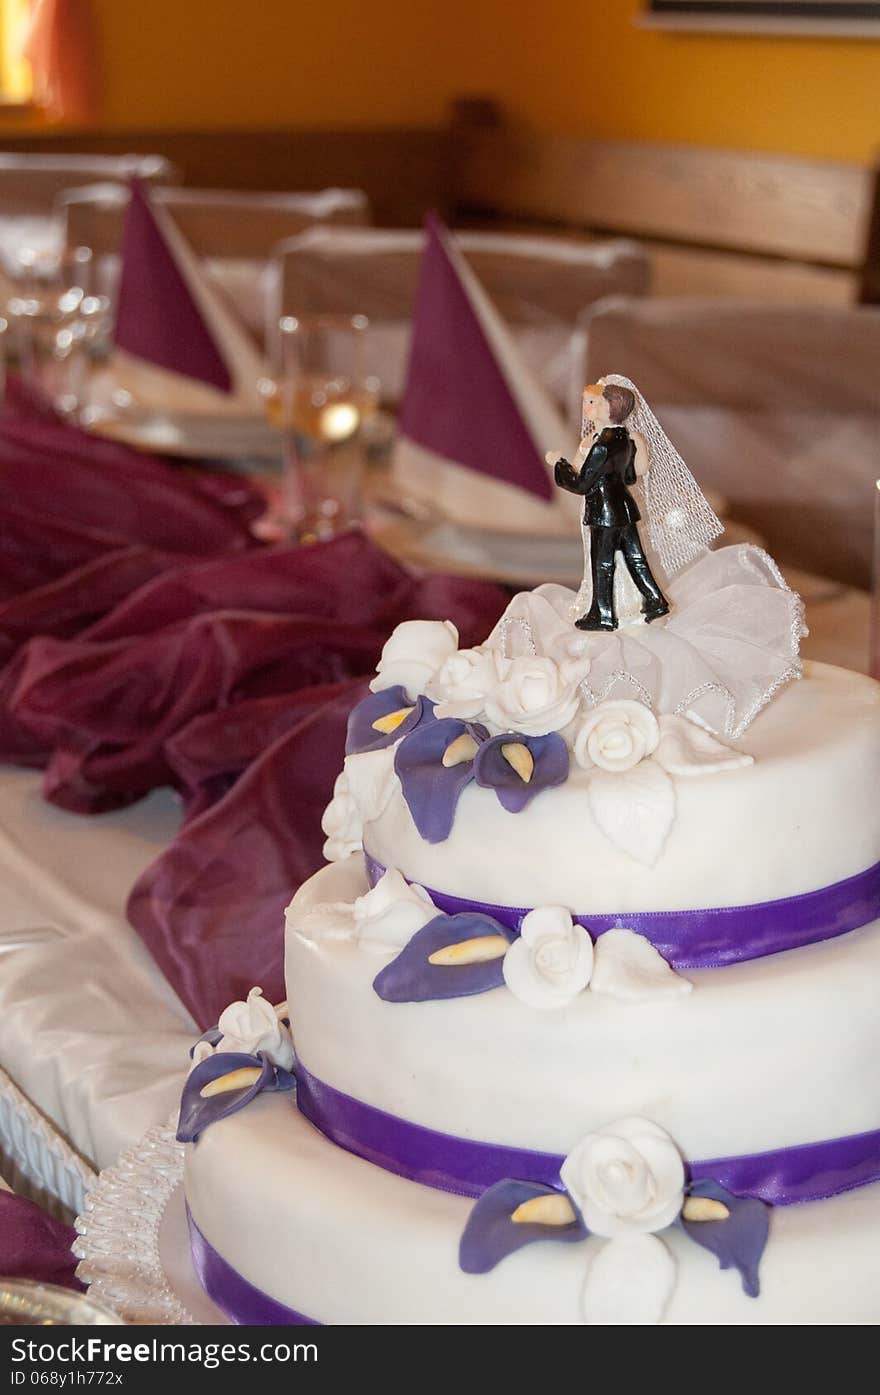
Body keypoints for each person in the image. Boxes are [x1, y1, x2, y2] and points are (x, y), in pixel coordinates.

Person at [547, 382, 669, 631]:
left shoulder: (603, 445)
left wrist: (558, 463)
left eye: (599, 403)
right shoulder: (625, 438)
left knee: (602, 563)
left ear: (611, 408)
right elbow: (631, 475)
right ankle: (656, 601)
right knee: (636, 558)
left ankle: (603, 614)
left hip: (605, 513)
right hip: (624, 507)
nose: (593, 406)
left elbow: (581, 484)